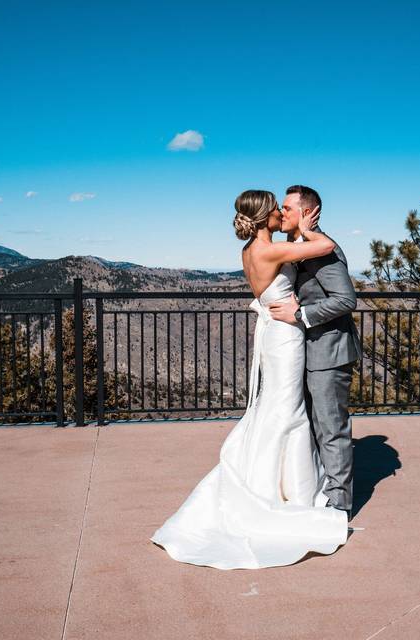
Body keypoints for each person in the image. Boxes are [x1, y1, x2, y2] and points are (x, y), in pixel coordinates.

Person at [150, 189, 349, 570]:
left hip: (277, 335)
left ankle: (279, 486)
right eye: (276, 207)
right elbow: (326, 246)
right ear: (263, 216)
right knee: (284, 410)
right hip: (285, 336)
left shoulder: (252, 251)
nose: (280, 211)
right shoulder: (269, 250)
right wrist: (308, 229)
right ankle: (277, 494)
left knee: (278, 407)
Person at [268, 185, 362, 518]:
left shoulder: (323, 249)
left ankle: (339, 508)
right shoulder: (300, 247)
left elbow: (346, 300)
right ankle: (316, 490)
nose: (282, 213)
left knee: (331, 427)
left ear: (308, 212)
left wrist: (300, 315)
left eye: (288, 208)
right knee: (308, 425)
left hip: (329, 353)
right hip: (303, 352)